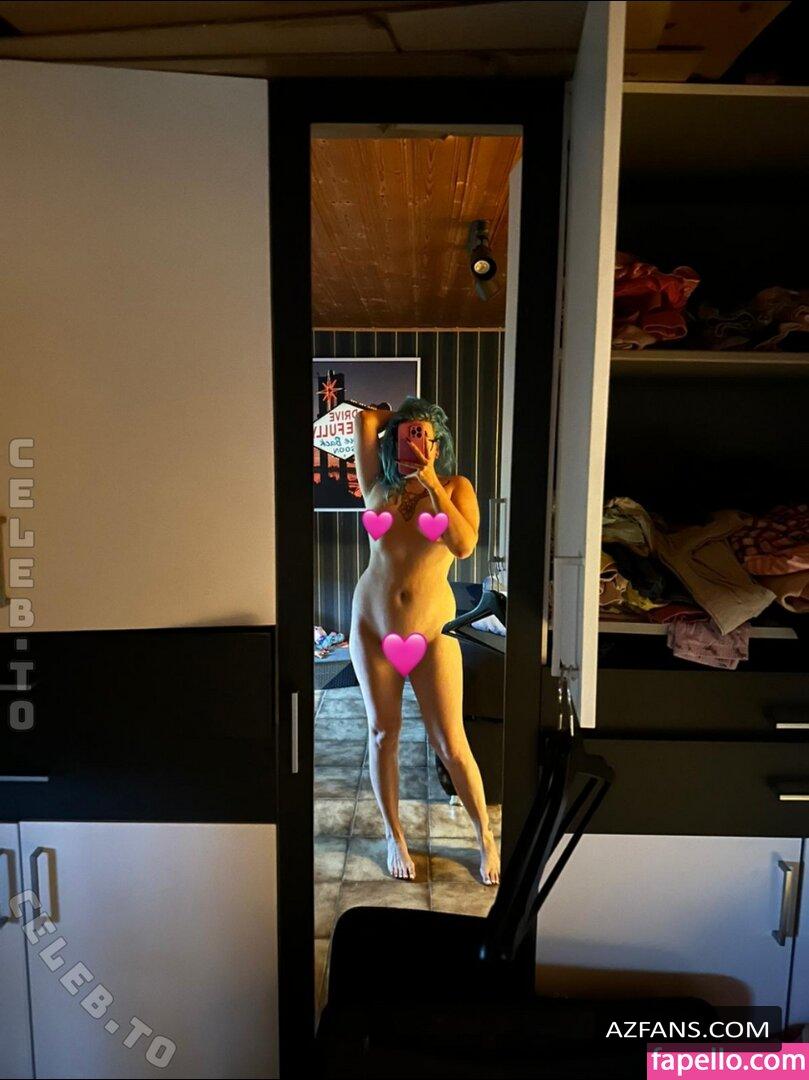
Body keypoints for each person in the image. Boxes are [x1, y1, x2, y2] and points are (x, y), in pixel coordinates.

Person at [350, 397, 500, 885]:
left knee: (450, 742)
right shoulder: (377, 483)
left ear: (438, 444)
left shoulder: (456, 487)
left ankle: (485, 836)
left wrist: (432, 481)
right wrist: (391, 417)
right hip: (372, 625)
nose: (413, 443)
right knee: (382, 733)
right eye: (405, 435)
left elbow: (464, 544)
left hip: (432, 632)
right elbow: (363, 421)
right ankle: (394, 834)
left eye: (422, 436)